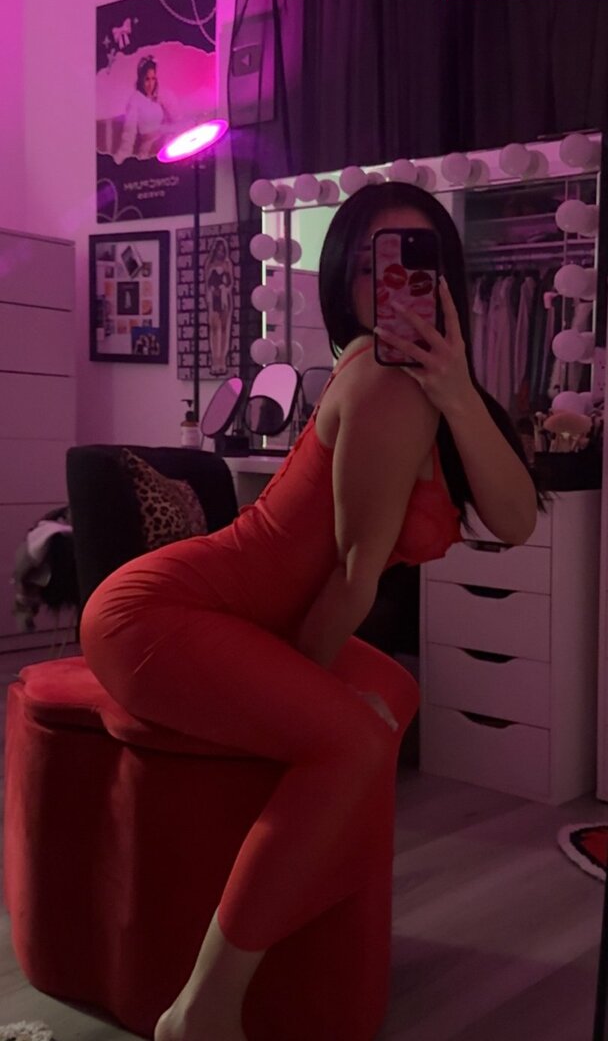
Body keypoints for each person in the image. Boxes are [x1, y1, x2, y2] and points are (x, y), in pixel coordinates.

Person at [80, 180, 544, 1041]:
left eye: (410, 260)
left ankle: (304, 911)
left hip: (238, 615)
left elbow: (516, 520)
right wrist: (322, 705)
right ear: (339, 278)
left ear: (444, 276)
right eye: (368, 262)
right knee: (353, 738)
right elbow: (354, 580)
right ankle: (203, 1009)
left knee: (394, 695)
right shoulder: (378, 380)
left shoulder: (431, 391)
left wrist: (455, 389)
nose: (387, 282)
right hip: (160, 612)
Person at [114, 55, 178, 164]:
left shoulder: (157, 98)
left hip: (162, 145)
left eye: (153, 79)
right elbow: (129, 133)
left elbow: (173, 120)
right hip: (148, 150)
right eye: (147, 79)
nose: (150, 84)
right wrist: (121, 160)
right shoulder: (135, 100)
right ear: (141, 80)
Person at [204, 236, 234, 376]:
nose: (220, 253)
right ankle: (215, 361)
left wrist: (224, 290)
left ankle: (222, 361)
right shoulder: (209, 264)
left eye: (222, 250)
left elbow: (231, 282)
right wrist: (211, 295)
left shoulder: (227, 264)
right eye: (218, 250)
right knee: (215, 329)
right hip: (213, 299)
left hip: (225, 299)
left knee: (224, 329)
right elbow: (206, 283)